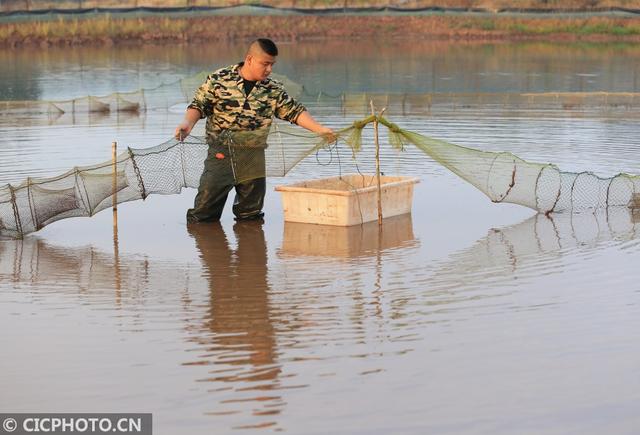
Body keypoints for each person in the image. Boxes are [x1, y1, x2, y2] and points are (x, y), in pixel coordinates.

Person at [175, 38, 334, 223]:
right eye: (265, 64)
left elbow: (294, 112)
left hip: (253, 158)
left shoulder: (272, 89)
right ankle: (204, 248)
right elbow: (198, 105)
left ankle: (250, 249)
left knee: (250, 217)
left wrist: (320, 129)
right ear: (249, 59)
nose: (269, 70)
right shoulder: (220, 79)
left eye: (272, 65)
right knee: (203, 214)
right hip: (221, 155)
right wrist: (187, 124)